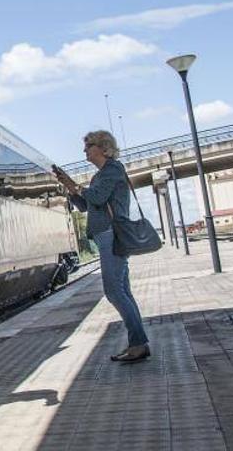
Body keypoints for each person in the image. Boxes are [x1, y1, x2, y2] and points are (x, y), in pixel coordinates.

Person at [53, 130, 150, 363]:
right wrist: (69, 187)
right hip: (106, 236)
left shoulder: (113, 169)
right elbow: (87, 205)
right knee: (123, 291)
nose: (85, 150)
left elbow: (96, 198)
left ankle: (138, 343)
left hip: (111, 235)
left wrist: (76, 186)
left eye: (89, 145)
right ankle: (138, 343)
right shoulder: (100, 175)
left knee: (114, 291)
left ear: (103, 147)